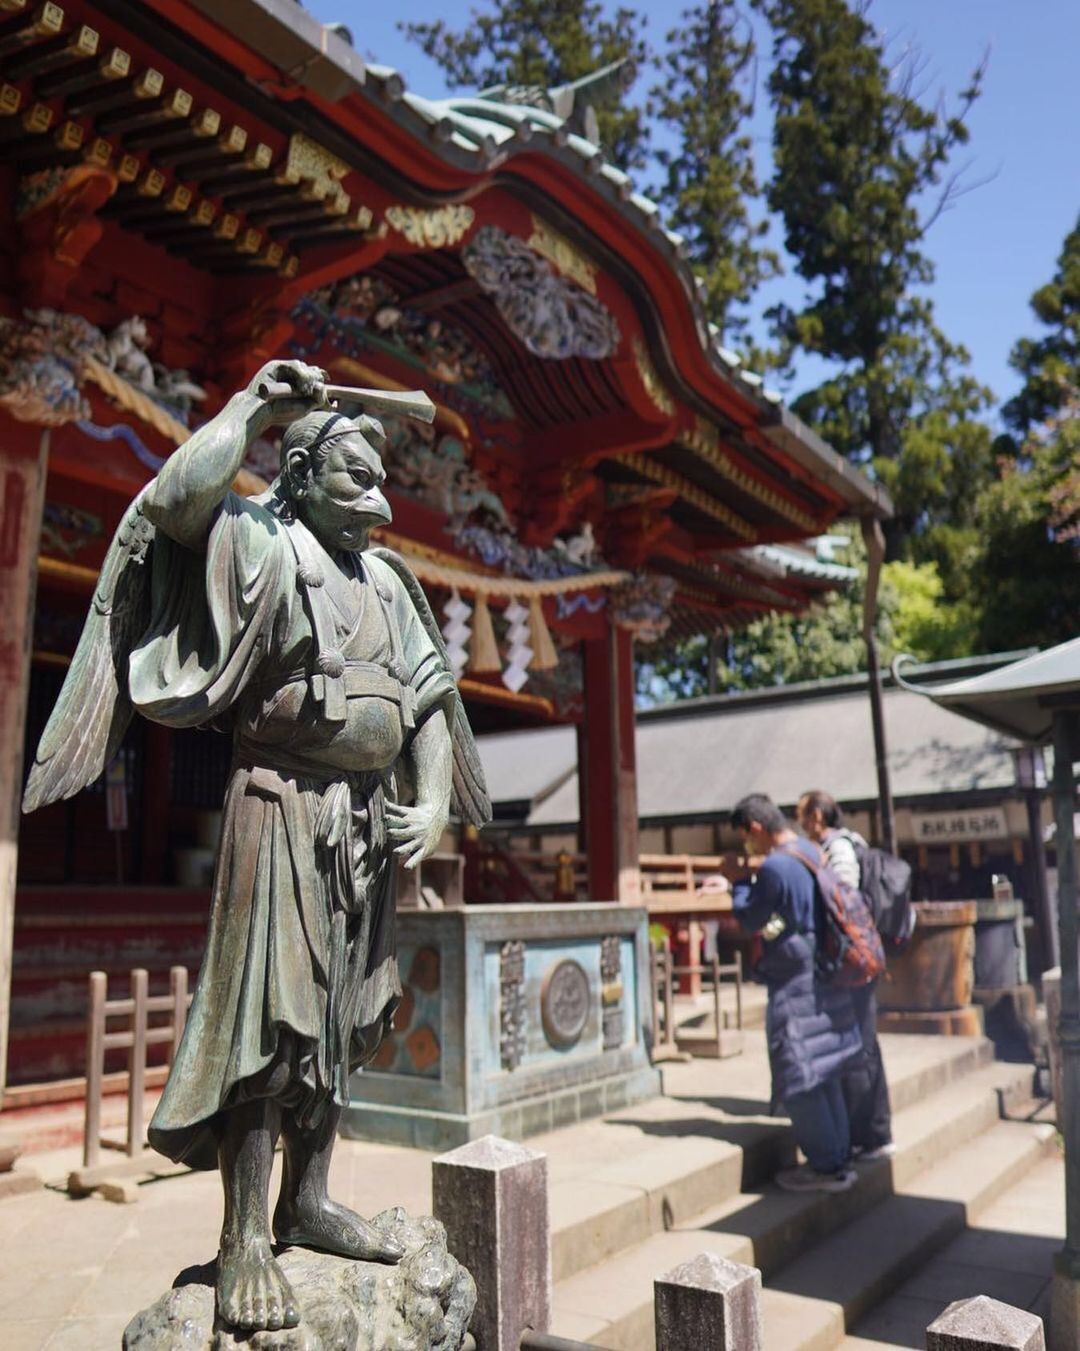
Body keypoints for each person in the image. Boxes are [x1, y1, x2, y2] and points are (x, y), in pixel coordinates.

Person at [22, 361, 490, 1333]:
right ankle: (244, 1233)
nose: (380, 499)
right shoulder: (262, 543)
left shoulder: (390, 582)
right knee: (269, 1026)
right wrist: (248, 408)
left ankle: (308, 1199)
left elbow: (431, 702)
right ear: (305, 475)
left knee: (341, 1023)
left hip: (365, 825)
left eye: (383, 480)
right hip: (278, 806)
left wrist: (435, 799)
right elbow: (178, 500)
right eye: (356, 479)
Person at [724, 793, 862, 1193]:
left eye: (745, 838)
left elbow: (753, 918)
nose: (746, 847)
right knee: (824, 1069)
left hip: (793, 977)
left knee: (798, 1071)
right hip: (822, 969)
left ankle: (823, 1165)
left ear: (753, 828)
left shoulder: (775, 866)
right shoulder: (807, 850)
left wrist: (736, 884)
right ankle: (838, 1157)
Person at [798, 790, 895, 1160]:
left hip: (853, 959)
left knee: (860, 1043)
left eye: (803, 814)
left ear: (818, 817)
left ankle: (871, 1134)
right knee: (864, 1041)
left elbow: (843, 900)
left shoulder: (837, 849)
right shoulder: (853, 842)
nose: (801, 823)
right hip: (863, 957)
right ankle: (873, 1130)